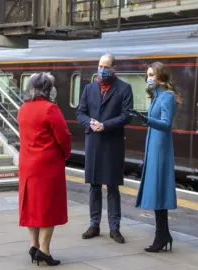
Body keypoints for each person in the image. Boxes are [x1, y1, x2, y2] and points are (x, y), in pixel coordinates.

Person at [76, 54, 134, 244]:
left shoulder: (124, 88)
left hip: (112, 143)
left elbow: (127, 115)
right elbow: (80, 112)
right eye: (100, 65)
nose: (102, 69)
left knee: (112, 186)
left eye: (106, 66)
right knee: (94, 185)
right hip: (93, 141)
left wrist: (105, 125)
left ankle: (114, 228)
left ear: (113, 68)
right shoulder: (89, 88)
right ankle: (94, 224)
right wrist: (89, 123)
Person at [17, 72, 71, 266]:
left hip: (27, 165)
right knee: (48, 208)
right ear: (48, 89)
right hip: (47, 166)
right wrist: (64, 155)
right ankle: (44, 250)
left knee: (31, 206)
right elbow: (64, 137)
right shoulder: (50, 109)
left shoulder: (23, 109)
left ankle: (33, 246)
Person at [132, 61, 182, 252]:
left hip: (160, 149)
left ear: (160, 77)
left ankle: (161, 235)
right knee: (157, 192)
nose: (148, 78)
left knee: (159, 191)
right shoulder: (156, 97)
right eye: (147, 75)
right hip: (154, 147)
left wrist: (146, 119)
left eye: (151, 74)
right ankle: (163, 234)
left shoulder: (167, 97)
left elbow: (166, 124)